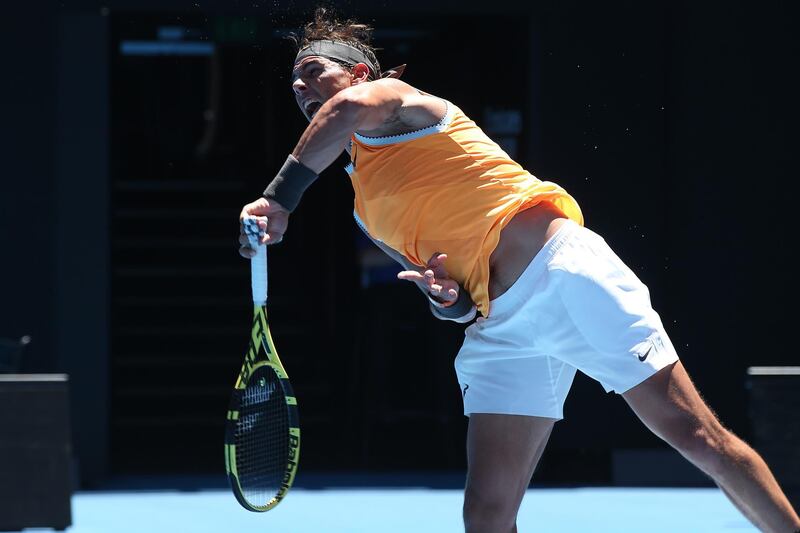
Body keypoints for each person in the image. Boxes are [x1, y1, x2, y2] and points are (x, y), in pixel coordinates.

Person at [237, 8, 800, 533]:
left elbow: (348, 111)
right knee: (486, 509)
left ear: (359, 71)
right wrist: (444, 297)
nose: (301, 89)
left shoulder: (397, 99)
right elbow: (455, 301)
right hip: (501, 326)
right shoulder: (364, 208)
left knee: (695, 435)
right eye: (294, 85)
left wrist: (278, 199)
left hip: (564, 275)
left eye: (313, 73)